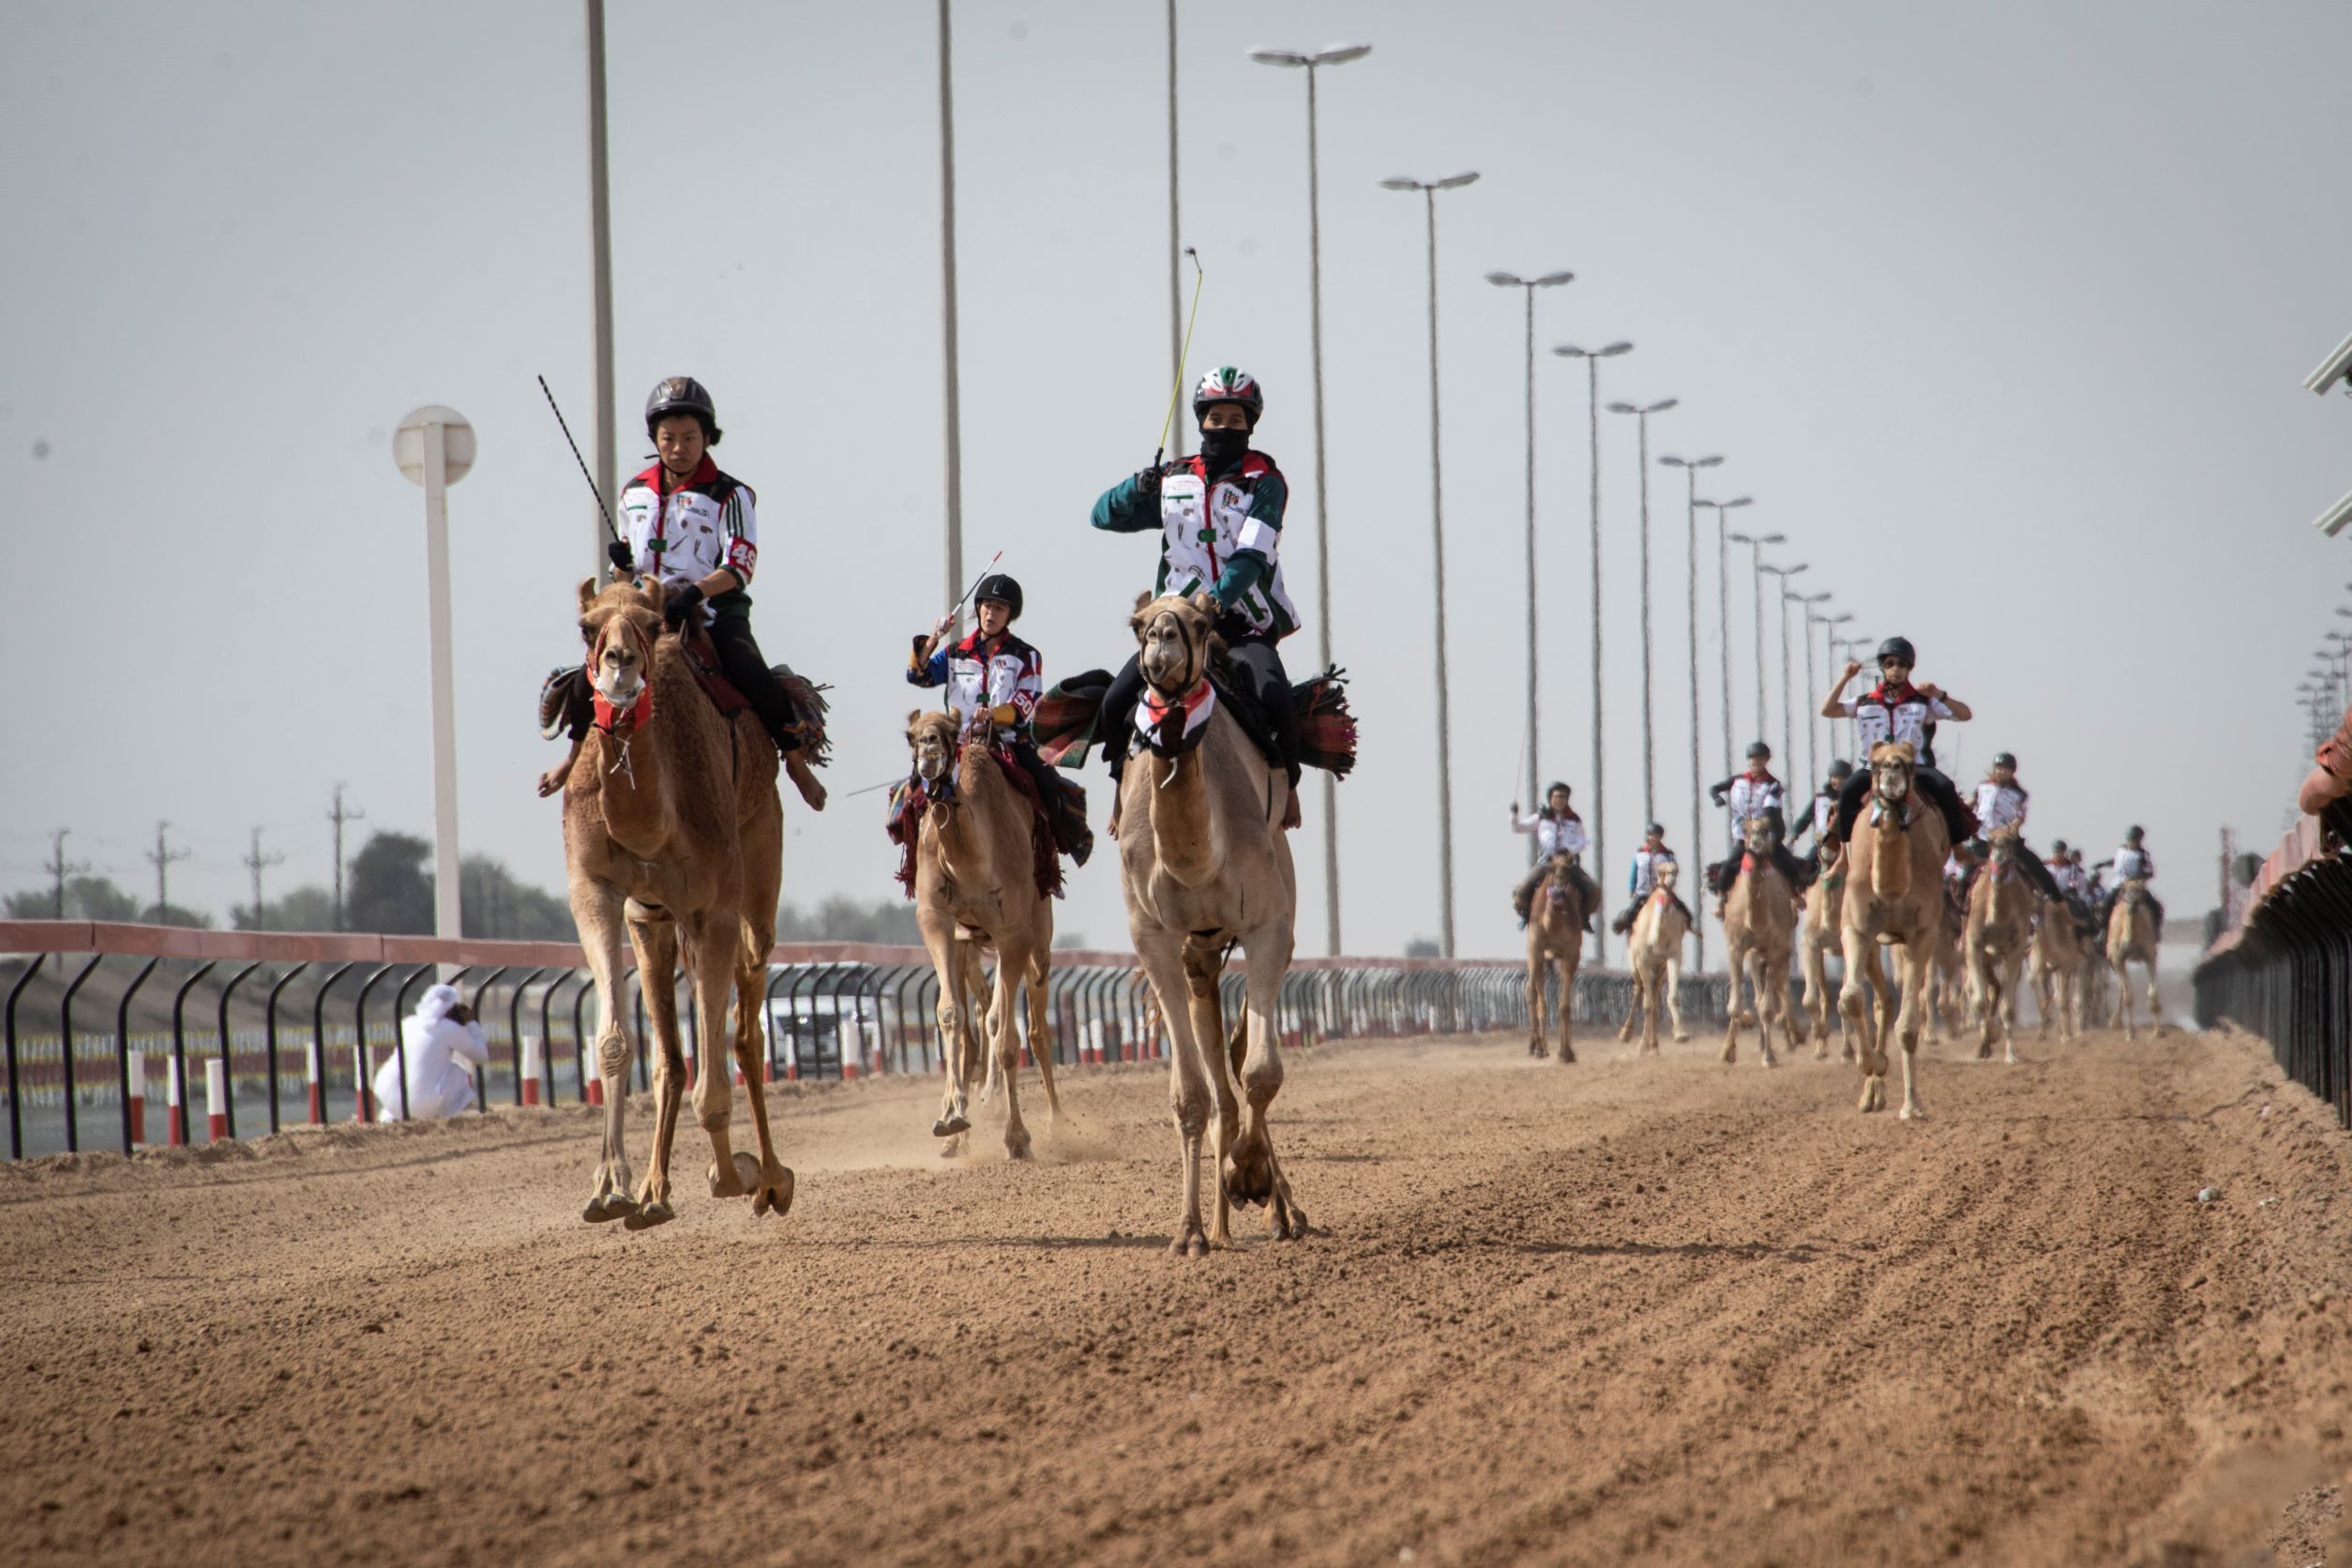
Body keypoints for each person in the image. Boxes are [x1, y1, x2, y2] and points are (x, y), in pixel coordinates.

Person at [538, 377, 826, 812]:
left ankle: (795, 760)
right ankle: (572, 758)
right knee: (589, 674)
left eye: (690, 437)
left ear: (707, 437)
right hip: (645, 613)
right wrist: (620, 564)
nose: (679, 447)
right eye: (668, 438)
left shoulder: (731, 494)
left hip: (710, 610)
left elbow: (740, 564)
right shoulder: (633, 493)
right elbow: (626, 571)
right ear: (655, 438)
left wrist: (693, 593)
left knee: (749, 670)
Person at [1090, 367, 1304, 830]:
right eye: (1216, 418)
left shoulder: (1265, 481)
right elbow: (1101, 516)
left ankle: (1288, 784)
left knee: (1274, 695)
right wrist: (1136, 488)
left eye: (1235, 419)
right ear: (1201, 420)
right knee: (1113, 701)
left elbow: (1253, 553)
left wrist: (1217, 601)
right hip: (1174, 623)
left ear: (1250, 424)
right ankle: (1118, 785)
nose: (1224, 427)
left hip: (1240, 621)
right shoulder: (1174, 477)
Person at [908, 573, 1092, 865]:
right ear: (978, 607)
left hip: (1008, 741)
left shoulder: (1026, 655)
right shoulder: (955, 653)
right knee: (913, 791)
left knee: (1048, 785)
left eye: (999, 608)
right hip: (957, 743)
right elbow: (917, 675)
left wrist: (994, 715)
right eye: (987, 606)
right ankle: (917, 860)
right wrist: (933, 638)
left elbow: (1026, 703)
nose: (991, 613)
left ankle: (1055, 851)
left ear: (1009, 616)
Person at [1818, 636, 1976, 848]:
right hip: (1873, 769)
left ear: (1909, 668)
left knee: (1946, 787)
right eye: (1890, 664)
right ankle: (1845, 855)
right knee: (1847, 792)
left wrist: (1939, 694)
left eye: (1902, 664)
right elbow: (1827, 710)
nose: (1896, 669)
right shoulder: (1865, 702)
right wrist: (1846, 677)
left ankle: (1957, 847)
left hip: (1914, 768)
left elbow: (1965, 715)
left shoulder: (1923, 701)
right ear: (1883, 667)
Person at [1706, 741, 1809, 896]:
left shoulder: (1773, 784)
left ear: (1766, 761)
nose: (1756, 762)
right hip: (1744, 835)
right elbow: (1714, 788)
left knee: (1787, 863)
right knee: (1728, 866)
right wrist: (1716, 798)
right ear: (1749, 760)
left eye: (1760, 759)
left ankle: (1796, 894)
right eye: (1753, 758)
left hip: (1765, 833)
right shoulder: (1737, 780)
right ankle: (1721, 900)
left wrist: (1764, 825)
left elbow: (1771, 807)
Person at [373, 985, 490, 1122]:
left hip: (388, 1096)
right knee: (458, 1072)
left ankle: (390, 1116)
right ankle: (449, 1116)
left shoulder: (408, 1023)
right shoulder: (449, 1028)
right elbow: (481, 1057)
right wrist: (471, 1023)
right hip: (424, 1104)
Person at [1967, 752, 2065, 901]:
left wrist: (2010, 829)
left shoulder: (2020, 794)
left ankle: (2056, 900)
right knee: (1964, 873)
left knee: (2035, 867)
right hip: (1982, 840)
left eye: (2006, 769)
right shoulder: (1982, 787)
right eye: (2000, 768)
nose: (2002, 771)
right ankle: (1960, 908)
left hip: (2008, 842)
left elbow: (2020, 817)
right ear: (1994, 769)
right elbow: (1969, 804)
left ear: (2012, 772)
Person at [1508, 782, 1599, 929]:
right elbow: (1517, 828)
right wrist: (1513, 814)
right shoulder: (1541, 818)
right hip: (1547, 862)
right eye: (1556, 796)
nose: (1560, 800)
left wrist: (1569, 850)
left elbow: (1582, 841)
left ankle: (1583, 918)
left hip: (1568, 863)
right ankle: (1526, 915)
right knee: (1522, 890)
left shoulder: (1574, 820)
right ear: (1550, 798)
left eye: (1563, 797)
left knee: (1592, 890)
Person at [1610, 823, 1687, 935]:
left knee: (1682, 910)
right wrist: (1632, 888)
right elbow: (1634, 872)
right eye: (1649, 835)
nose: (1650, 838)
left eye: (1654, 835)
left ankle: (1690, 926)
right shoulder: (1640, 853)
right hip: (1643, 892)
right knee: (1630, 913)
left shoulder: (1668, 855)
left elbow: (1673, 871)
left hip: (1662, 892)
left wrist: (1668, 885)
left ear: (1660, 837)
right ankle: (1625, 933)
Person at [2096, 825, 2164, 940]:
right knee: (2106, 905)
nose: (2133, 842)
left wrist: (2139, 876)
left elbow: (2149, 871)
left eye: (2135, 839)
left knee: (2155, 906)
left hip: (2135, 885)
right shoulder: (2121, 850)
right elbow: (2116, 861)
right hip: (2118, 885)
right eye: (2131, 839)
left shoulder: (2143, 854)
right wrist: (2102, 864)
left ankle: (2155, 931)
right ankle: (2103, 932)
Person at [1790, 759, 1854, 871]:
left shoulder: (1854, 800)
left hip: (1846, 846)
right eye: (1833, 777)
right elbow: (1806, 818)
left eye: (1840, 778)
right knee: (1805, 866)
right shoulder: (1820, 799)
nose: (1835, 781)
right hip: (1822, 844)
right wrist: (1795, 832)